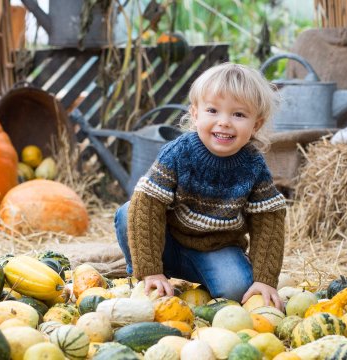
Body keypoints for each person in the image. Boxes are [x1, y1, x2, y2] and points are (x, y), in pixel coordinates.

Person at [114, 62, 286, 310]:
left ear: (255, 125)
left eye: (238, 114)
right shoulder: (178, 154)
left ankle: (205, 277)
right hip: (168, 242)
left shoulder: (253, 166)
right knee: (129, 212)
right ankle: (152, 280)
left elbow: (268, 218)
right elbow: (148, 203)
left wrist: (265, 280)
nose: (224, 122)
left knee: (238, 290)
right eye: (213, 110)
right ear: (195, 114)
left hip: (217, 249)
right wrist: (150, 269)